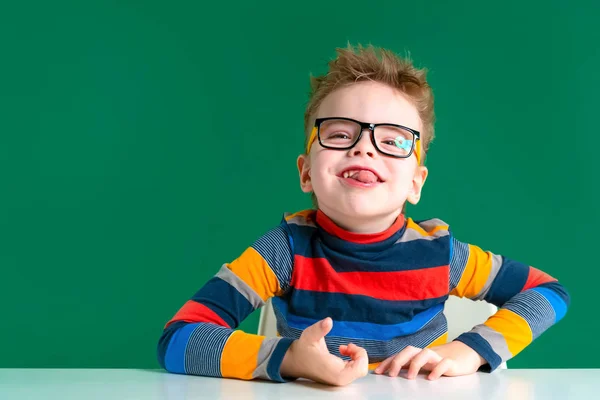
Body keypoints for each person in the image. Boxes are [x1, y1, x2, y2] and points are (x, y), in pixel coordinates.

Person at [157, 44, 570, 386]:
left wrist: (470, 350)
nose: (364, 148)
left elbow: (548, 293)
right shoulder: (282, 251)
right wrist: (291, 359)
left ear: (415, 183)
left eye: (392, 140)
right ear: (306, 172)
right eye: (340, 134)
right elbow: (178, 339)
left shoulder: (442, 255)